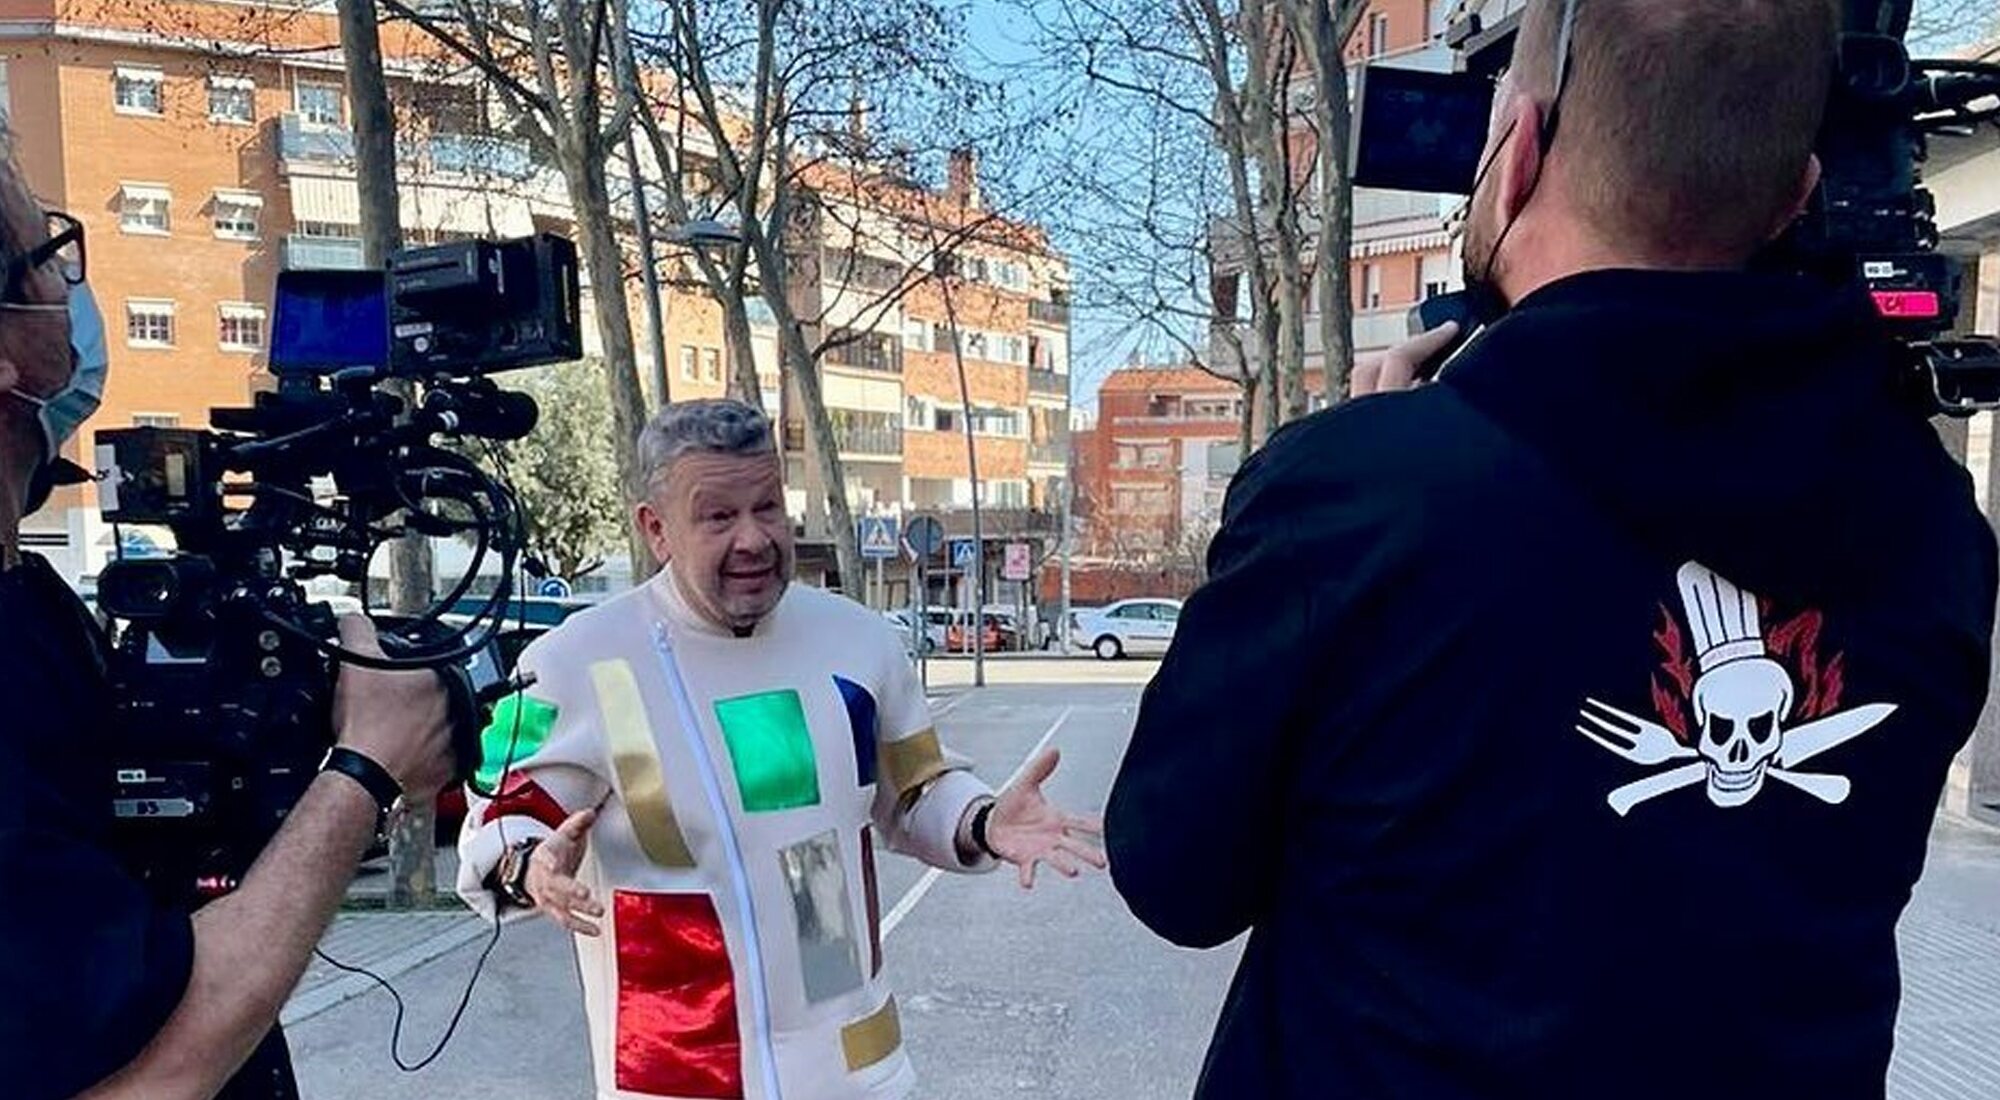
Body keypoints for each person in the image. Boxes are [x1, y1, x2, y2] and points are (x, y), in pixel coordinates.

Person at [1107, 1, 1996, 1098]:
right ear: (1795, 196)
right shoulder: (1936, 525)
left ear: (1519, 144)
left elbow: (1172, 873)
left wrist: (1356, 471)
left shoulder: (1352, 499)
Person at [457, 398, 1104, 1100]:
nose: (755, 539)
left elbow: (914, 790)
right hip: (676, 1076)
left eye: (768, 507)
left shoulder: (859, 641)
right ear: (655, 529)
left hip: (856, 1071)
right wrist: (527, 864)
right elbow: (501, 814)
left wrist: (982, 823)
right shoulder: (572, 660)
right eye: (718, 516)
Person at [0, 125, 456, 1098]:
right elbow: (143, 1078)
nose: (74, 291)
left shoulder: (29, 599)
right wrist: (365, 767)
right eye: (48, 258)